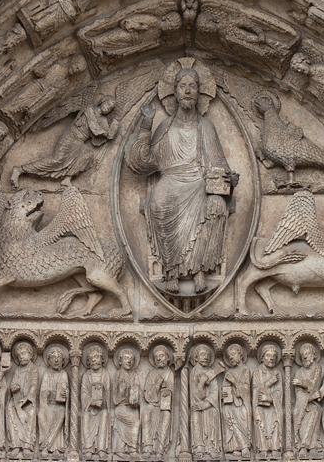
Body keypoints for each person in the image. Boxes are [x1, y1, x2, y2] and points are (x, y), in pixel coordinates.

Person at [128, 67, 236, 294]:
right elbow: (144, 162)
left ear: (199, 93)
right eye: (182, 86)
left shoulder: (205, 126)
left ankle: (199, 271)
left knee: (215, 203)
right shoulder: (165, 127)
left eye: (193, 86)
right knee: (158, 203)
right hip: (171, 178)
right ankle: (171, 272)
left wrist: (229, 178)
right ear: (174, 92)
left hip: (199, 180)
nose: (187, 91)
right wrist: (146, 124)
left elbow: (219, 164)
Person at [5, 342, 38, 458]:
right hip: (17, 399)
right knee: (10, 408)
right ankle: (15, 445)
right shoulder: (17, 370)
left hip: (28, 401)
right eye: (19, 355)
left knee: (30, 412)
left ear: (30, 354)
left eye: (24, 354)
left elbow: (34, 385)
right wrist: (14, 388)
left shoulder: (33, 369)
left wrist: (27, 398)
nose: (22, 357)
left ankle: (27, 446)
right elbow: (13, 383)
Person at [221, 344, 251, 456]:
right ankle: (235, 446)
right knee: (226, 411)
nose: (231, 358)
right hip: (231, 403)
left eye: (233, 354)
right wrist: (222, 395)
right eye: (229, 357)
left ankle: (244, 446)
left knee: (242, 411)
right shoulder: (228, 373)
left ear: (241, 355)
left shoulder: (245, 370)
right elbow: (224, 389)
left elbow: (246, 390)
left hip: (242, 403)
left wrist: (234, 381)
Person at [39, 345, 69, 454]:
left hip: (59, 406)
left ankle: (50, 446)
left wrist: (66, 394)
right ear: (49, 361)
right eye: (53, 357)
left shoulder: (64, 374)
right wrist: (46, 394)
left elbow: (68, 392)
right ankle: (46, 444)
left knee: (60, 415)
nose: (56, 360)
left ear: (62, 360)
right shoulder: (47, 374)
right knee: (42, 415)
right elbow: (42, 392)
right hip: (47, 405)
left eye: (59, 357)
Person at [112, 348, 142, 454]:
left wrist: (136, 399)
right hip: (120, 408)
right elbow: (114, 400)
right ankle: (132, 450)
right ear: (120, 361)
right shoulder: (117, 375)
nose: (129, 361)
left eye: (131, 359)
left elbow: (139, 396)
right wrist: (121, 392)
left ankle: (128, 450)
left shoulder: (134, 375)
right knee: (136, 422)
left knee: (136, 419)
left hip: (132, 408)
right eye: (126, 358)